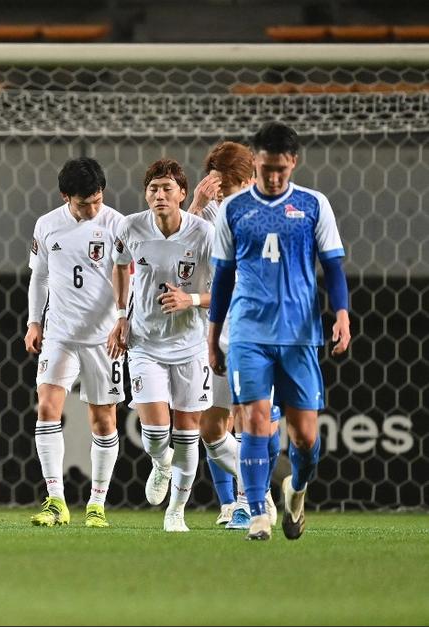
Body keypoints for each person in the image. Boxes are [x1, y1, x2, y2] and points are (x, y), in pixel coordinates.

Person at [208, 121, 351, 541]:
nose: (273, 178)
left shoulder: (313, 205)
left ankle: (296, 488)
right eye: (266, 168)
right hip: (249, 333)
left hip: (300, 335)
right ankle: (255, 513)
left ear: (294, 163)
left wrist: (341, 314)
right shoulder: (234, 210)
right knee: (253, 421)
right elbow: (222, 278)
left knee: (305, 438)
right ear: (256, 163)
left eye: (281, 170)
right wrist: (213, 334)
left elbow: (334, 266)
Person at [108, 159, 214, 533]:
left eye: (167, 188)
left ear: (183, 194)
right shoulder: (130, 226)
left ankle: (176, 512)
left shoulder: (203, 234)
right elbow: (120, 266)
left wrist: (192, 301)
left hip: (190, 346)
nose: (159, 195)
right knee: (155, 434)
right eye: (153, 188)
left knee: (188, 436)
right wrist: (121, 314)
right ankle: (160, 464)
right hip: (145, 344)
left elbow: (224, 293)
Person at [24, 158, 125, 528]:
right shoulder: (47, 225)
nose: (93, 208)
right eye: (84, 203)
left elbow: (128, 278)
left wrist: (122, 320)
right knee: (47, 407)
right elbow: (39, 278)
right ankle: (55, 501)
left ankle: (97, 504)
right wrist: (35, 322)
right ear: (66, 197)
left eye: (98, 199)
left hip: (104, 337)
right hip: (60, 334)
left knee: (103, 419)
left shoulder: (117, 224)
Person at [188, 141, 280, 530]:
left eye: (224, 183)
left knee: (251, 419)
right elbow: (175, 255)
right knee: (210, 428)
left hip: (256, 330)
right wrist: (194, 205)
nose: (218, 190)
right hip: (214, 330)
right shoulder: (209, 211)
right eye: (214, 183)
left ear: (245, 180)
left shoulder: (267, 217)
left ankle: (248, 503)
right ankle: (257, 491)